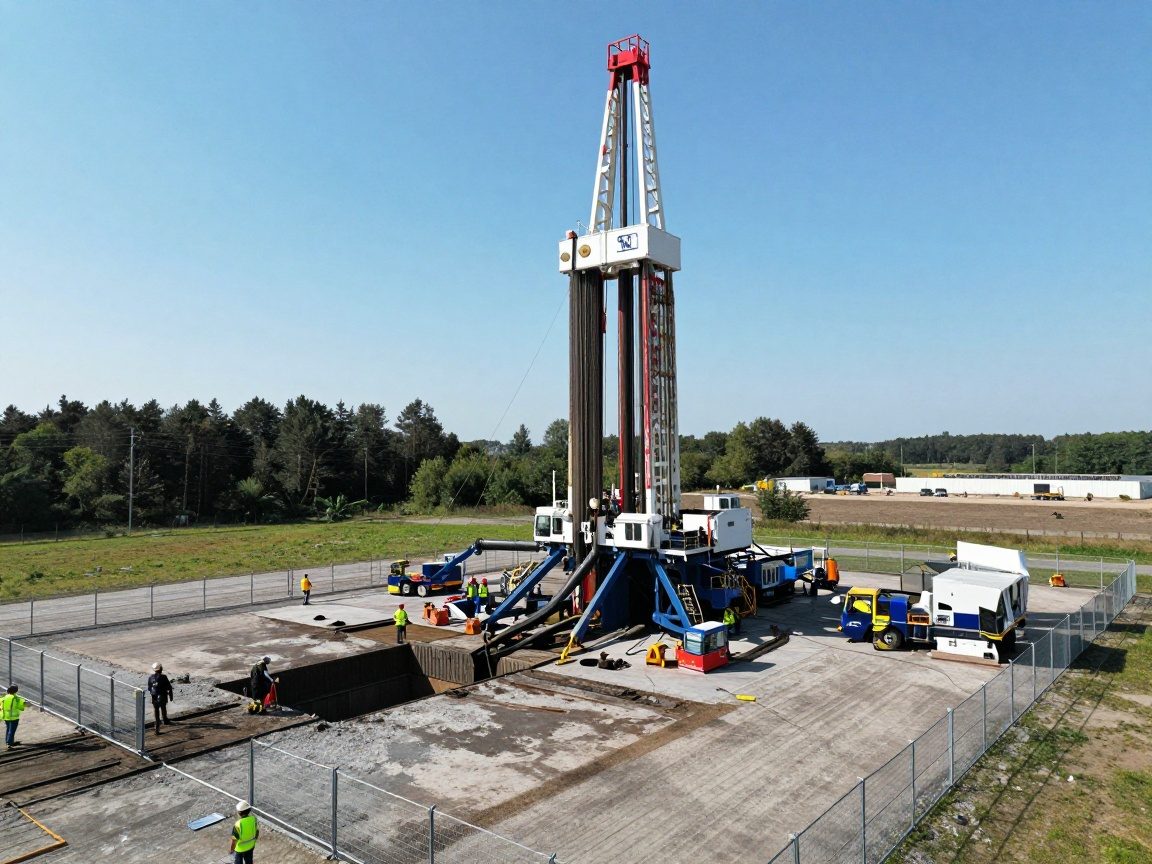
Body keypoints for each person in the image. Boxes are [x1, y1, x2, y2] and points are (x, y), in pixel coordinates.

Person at [147, 662, 175, 734]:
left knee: (156, 711)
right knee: (163, 708)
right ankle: (165, 720)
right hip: (162, 696)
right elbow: (169, 687)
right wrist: (171, 696)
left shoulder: (150, 677)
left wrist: (152, 693)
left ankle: (157, 727)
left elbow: (149, 688)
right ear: (161, 669)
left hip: (154, 696)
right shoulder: (164, 677)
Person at [2, 685, 27, 750]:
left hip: (6, 716)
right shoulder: (16, 698)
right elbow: (21, 708)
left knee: (8, 729)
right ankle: (9, 744)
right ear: (15, 691)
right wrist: (24, 703)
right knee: (12, 731)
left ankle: (9, 742)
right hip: (14, 717)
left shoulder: (5, 697)